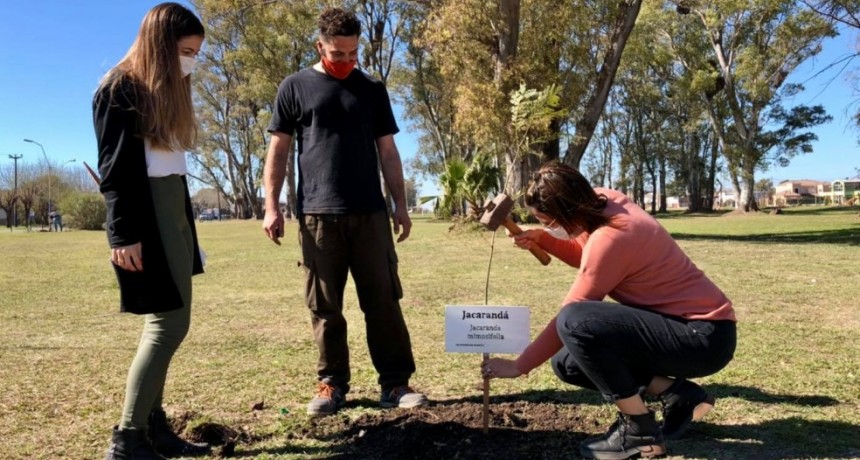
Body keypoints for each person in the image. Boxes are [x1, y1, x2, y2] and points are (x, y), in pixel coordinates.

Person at [481, 162, 737, 460]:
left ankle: (640, 431)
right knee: (569, 362)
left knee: (575, 321)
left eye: (549, 222)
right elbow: (587, 255)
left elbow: (574, 309)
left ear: (567, 212)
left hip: (701, 336)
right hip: (681, 328)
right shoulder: (602, 200)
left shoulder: (613, 236)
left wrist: (520, 365)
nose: (550, 227)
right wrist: (545, 239)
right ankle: (678, 395)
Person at [262, 7, 428, 417]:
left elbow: (388, 152)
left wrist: (401, 204)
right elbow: (278, 150)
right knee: (325, 306)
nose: (347, 62)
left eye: (354, 54)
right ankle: (332, 384)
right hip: (317, 217)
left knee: (384, 301)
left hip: (370, 214)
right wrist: (271, 206)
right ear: (320, 46)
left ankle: (395, 383)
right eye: (338, 54)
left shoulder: (371, 88)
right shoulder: (295, 87)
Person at [92, 3, 210, 458]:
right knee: (168, 323)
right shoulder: (119, 88)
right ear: (161, 46)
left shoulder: (165, 91)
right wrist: (122, 234)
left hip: (174, 201)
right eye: (185, 51)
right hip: (147, 208)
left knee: (169, 318)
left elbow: (168, 162)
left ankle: (154, 427)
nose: (191, 61)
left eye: (197, 53)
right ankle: (127, 438)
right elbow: (115, 167)